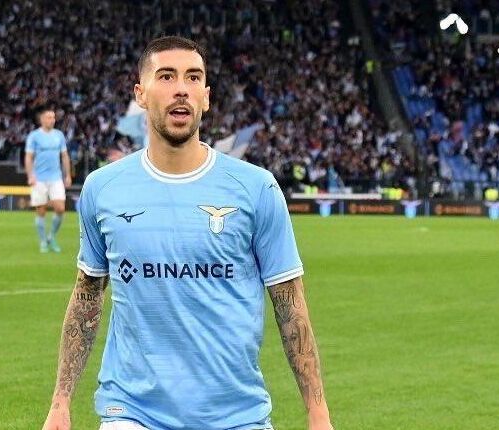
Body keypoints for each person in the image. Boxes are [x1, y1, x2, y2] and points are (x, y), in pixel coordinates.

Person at [42, 36, 333, 430]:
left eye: (193, 77)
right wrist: (61, 401)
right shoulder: (103, 188)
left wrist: (318, 414)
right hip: (132, 413)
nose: (181, 88)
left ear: (206, 97)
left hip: (236, 416)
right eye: (166, 76)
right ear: (140, 95)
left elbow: (290, 304)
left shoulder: (256, 188)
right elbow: (86, 297)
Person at [25, 106, 71, 253]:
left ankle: (51, 236)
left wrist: (68, 175)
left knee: (60, 208)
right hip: (39, 178)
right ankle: (43, 241)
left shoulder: (59, 135)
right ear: (42, 119)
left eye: (53, 117)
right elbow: (29, 157)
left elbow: (64, 156)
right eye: (49, 117)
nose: (53, 120)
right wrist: (30, 175)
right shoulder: (34, 136)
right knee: (41, 210)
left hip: (56, 177)